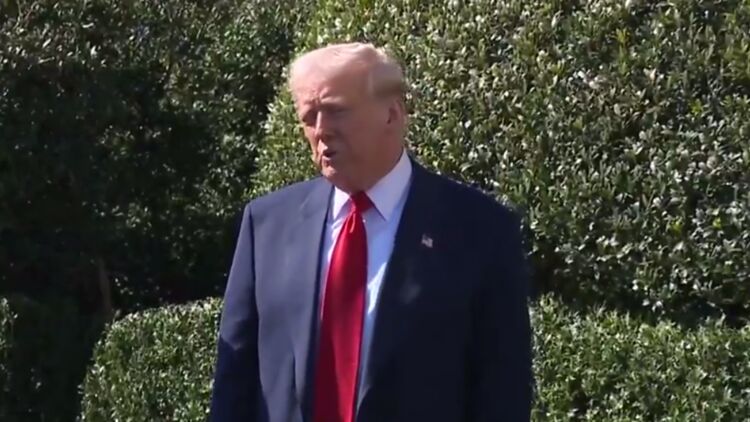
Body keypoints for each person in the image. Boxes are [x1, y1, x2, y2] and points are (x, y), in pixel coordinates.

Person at [209, 42, 533, 422]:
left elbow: (502, 391)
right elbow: (234, 383)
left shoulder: (479, 229)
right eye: (308, 117)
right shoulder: (266, 225)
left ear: (392, 114)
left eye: (336, 111)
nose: (321, 130)